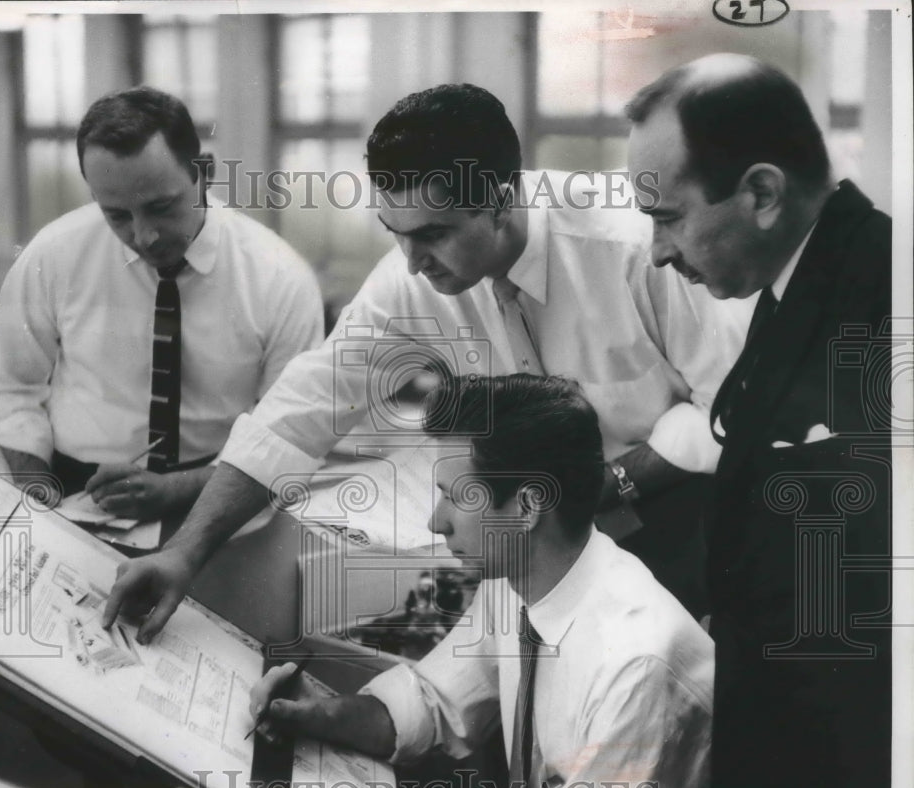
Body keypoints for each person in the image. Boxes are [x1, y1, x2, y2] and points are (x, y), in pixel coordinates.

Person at [103, 83, 744, 638]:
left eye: (432, 234)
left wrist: (612, 484)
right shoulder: (412, 282)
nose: (412, 261)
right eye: (396, 233)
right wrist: (185, 554)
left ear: (499, 202)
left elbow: (730, 409)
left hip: (671, 514)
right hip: (528, 533)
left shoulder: (631, 248)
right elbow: (300, 412)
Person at [625, 53, 892, 788]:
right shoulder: (800, 286)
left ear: (763, 194)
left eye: (668, 218)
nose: (658, 253)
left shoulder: (881, 304)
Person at [250, 374, 714, 788]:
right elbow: (437, 702)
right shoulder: (518, 580)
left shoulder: (635, 667)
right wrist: (324, 713)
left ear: (528, 507)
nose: (437, 521)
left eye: (456, 496)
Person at [0, 87, 324, 520]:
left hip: (223, 499)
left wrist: (181, 491)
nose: (144, 236)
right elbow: (12, 389)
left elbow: (286, 434)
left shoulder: (279, 277)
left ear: (204, 173)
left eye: (161, 207)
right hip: (71, 497)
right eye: (117, 215)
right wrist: (39, 499)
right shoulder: (53, 254)